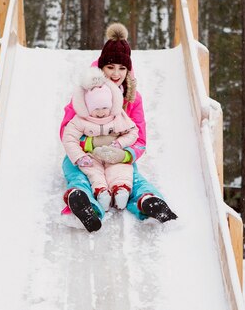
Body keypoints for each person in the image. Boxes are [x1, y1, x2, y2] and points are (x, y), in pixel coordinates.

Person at [60, 23, 178, 232]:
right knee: (78, 172)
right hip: (86, 153)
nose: (116, 73)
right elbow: (66, 129)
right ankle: (84, 204)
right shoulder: (86, 92)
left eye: (122, 68)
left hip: (118, 152)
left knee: (130, 177)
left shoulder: (132, 99)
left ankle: (148, 201)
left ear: (128, 70)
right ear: (101, 68)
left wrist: (123, 155)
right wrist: (89, 143)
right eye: (111, 67)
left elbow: (139, 138)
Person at [62, 67, 138, 212]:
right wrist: (80, 157)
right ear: (88, 107)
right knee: (92, 171)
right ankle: (102, 192)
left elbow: (133, 132)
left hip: (112, 153)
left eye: (105, 107)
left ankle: (120, 189)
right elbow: (69, 138)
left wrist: (120, 143)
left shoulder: (117, 117)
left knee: (121, 168)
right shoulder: (81, 120)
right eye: (96, 108)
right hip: (92, 156)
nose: (102, 113)